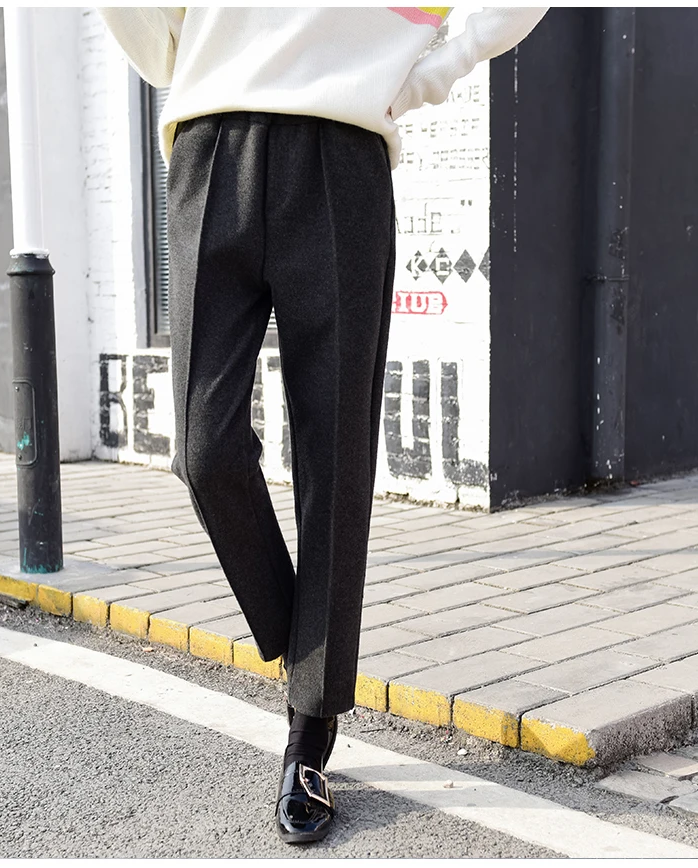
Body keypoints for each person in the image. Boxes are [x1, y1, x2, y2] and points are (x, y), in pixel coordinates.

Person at [98, 5, 548, 845]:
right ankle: (303, 636)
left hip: (343, 155)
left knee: (335, 459)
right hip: (211, 143)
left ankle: (310, 734)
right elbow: (152, 36)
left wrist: (429, 72)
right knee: (203, 447)